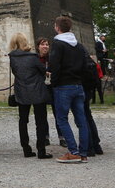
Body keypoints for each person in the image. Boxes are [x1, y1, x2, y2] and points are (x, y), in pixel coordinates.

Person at [49, 16, 90, 163]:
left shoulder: (58, 44)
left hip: (63, 85)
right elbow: (85, 66)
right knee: (81, 120)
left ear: (57, 27)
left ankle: (73, 151)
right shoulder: (78, 45)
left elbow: (55, 66)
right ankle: (83, 152)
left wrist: (53, 83)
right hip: (78, 85)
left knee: (62, 119)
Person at [8, 33, 52, 159]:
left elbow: (16, 72)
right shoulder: (33, 57)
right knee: (41, 121)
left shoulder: (12, 58)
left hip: (22, 91)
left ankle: (26, 149)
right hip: (37, 90)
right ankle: (41, 150)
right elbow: (43, 71)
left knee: (23, 120)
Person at [38, 37, 64, 147]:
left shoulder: (53, 58)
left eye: (47, 44)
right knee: (42, 115)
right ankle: (45, 137)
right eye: (43, 44)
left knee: (58, 113)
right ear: (38, 46)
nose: (45, 46)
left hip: (53, 87)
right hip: (41, 88)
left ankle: (62, 137)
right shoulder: (35, 59)